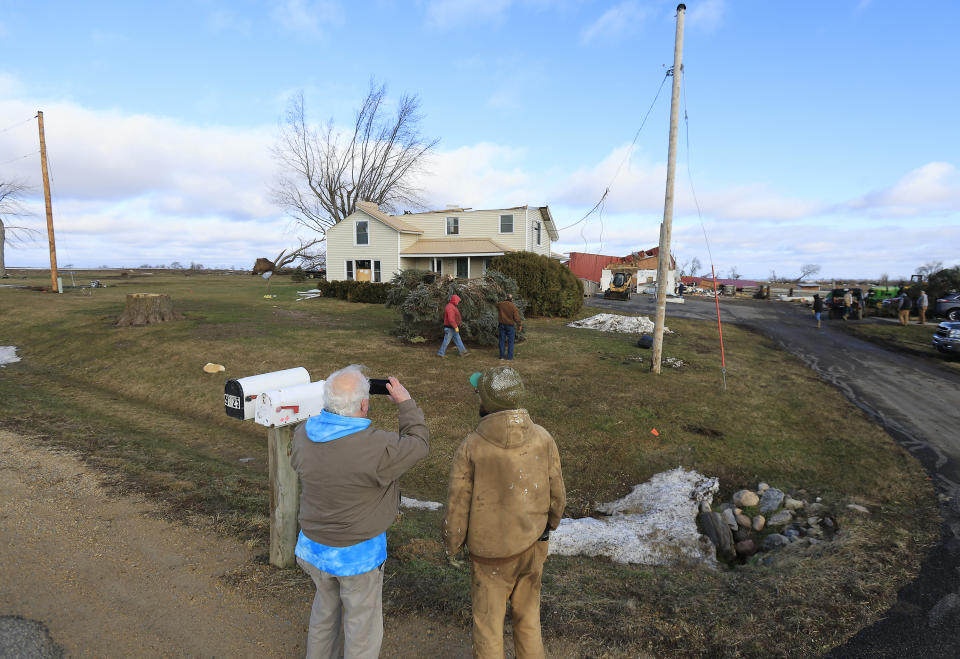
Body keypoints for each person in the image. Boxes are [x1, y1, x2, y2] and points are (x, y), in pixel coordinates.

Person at [291, 365, 429, 659]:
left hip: (314, 548)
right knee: (361, 628)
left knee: (324, 613)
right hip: (357, 556)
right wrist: (406, 404)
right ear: (364, 404)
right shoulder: (378, 447)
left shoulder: (302, 434)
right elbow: (418, 444)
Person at [443, 366, 566, 659]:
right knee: (528, 619)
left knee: (488, 627)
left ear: (485, 404)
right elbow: (557, 493)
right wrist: (550, 524)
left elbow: (457, 504)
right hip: (533, 544)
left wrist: (453, 544)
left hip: (491, 557)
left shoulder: (471, 447)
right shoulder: (543, 438)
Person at [438, 293, 468, 358]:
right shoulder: (450, 307)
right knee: (446, 341)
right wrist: (455, 326)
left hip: (453, 328)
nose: (458, 302)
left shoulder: (452, 306)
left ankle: (463, 352)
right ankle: (441, 353)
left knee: (458, 339)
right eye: (457, 301)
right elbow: (451, 319)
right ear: (454, 300)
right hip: (450, 328)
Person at [496, 293, 523, 360]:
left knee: (501, 340)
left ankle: (502, 356)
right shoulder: (513, 306)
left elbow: (497, 306)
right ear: (512, 299)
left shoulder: (500, 304)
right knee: (510, 341)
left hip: (501, 325)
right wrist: (519, 325)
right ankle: (509, 357)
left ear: (506, 298)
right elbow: (517, 318)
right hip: (510, 326)